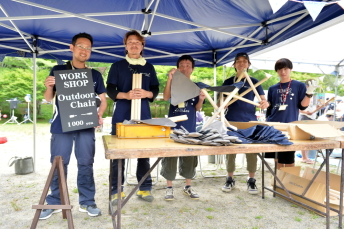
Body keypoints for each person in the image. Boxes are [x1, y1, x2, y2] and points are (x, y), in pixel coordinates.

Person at [40, 33, 107, 219]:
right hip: (61, 126)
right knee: (59, 163)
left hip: (85, 125)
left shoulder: (94, 75)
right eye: (80, 46)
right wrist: (48, 86)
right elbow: (48, 98)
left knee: (86, 163)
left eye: (88, 48)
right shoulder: (58, 69)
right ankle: (55, 201)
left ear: (91, 51)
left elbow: (103, 101)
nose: (84, 50)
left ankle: (87, 202)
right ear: (72, 47)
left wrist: (99, 114)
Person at [107, 30, 159, 204]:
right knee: (118, 151)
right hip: (122, 110)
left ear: (142, 45)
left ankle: (144, 188)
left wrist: (146, 93)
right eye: (130, 42)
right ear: (125, 45)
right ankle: (116, 190)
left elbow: (155, 90)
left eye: (138, 42)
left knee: (144, 151)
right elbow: (111, 90)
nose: (134, 45)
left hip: (143, 112)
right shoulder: (117, 66)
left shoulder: (149, 67)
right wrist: (125, 95)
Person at [221, 52, 269, 194]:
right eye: (238, 61)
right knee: (231, 150)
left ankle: (251, 179)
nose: (241, 63)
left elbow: (263, 100)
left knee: (251, 151)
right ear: (234, 64)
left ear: (248, 64)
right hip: (231, 120)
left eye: (244, 61)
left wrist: (264, 103)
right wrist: (221, 104)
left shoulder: (254, 82)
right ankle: (230, 178)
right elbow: (220, 101)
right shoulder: (228, 82)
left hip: (250, 121)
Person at [161, 55, 205, 200]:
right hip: (174, 128)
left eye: (188, 65)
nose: (184, 68)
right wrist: (169, 79)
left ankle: (188, 187)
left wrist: (202, 99)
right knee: (170, 158)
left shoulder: (197, 86)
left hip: (190, 129)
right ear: (178, 67)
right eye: (182, 65)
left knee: (189, 159)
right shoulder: (173, 84)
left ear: (192, 69)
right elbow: (166, 98)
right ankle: (169, 188)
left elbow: (197, 108)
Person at [265, 58, 318, 169]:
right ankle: (278, 182)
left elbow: (303, 106)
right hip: (274, 126)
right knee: (277, 158)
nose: (283, 72)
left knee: (289, 159)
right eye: (280, 69)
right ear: (277, 71)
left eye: (285, 69)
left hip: (290, 126)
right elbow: (269, 107)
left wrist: (309, 94)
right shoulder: (272, 88)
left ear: (290, 69)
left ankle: (288, 182)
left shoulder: (298, 85)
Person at [298, 79, 317, 164]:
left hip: (312, 117)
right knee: (304, 138)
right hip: (304, 117)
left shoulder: (313, 94)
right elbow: (298, 108)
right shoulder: (303, 93)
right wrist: (306, 112)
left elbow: (313, 106)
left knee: (309, 138)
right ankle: (304, 157)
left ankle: (307, 156)